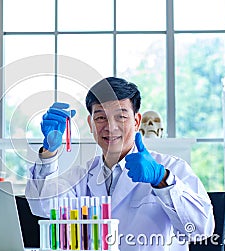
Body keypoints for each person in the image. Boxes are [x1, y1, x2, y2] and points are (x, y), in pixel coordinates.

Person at [25, 77, 215, 250]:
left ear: (136, 121)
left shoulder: (172, 168)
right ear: (91, 124)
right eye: (100, 117)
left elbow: (200, 230)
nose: (110, 126)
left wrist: (162, 180)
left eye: (121, 116)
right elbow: (42, 206)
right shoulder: (82, 175)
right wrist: (49, 153)